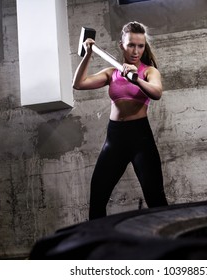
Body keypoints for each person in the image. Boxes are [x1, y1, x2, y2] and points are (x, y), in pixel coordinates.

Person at [73, 21, 168, 220]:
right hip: (115, 138)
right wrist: (88, 53)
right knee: (98, 195)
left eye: (140, 46)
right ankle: (99, 246)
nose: (136, 51)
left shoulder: (149, 72)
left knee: (155, 197)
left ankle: (169, 244)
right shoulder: (112, 73)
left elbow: (157, 93)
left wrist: (136, 79)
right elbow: (79, 84)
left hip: (140, 137)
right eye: (131, 45)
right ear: (121, 45)